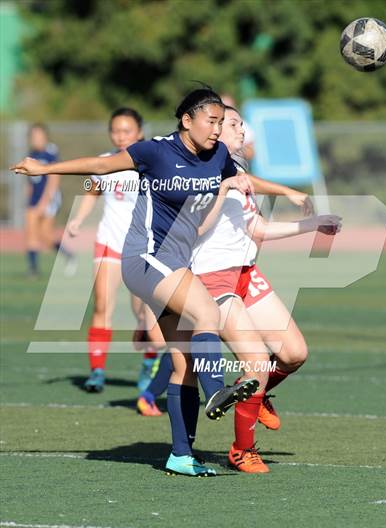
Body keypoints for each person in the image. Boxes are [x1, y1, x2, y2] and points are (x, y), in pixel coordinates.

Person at [11, 88, 261, 477]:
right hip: (144, 258)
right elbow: (101, 163)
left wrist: (290, 193)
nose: (217, 130)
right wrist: (44, 169)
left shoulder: (219, 157)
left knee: (183, 365)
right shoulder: (154, 152)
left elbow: (247, 180)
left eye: (220, 122)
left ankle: (181, 455)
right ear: (187, 121)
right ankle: (217, 391)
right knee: (206, 312)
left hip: (175, 264)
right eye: (211, 122)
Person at [141, 106, 341, 473]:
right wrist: (222, 188)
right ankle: (241, 449)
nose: (239, 132)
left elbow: (258, 229)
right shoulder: (199, 174)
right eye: (232, 125)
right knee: (256, 366)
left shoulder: (236, 172)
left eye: (237, 125)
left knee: (294, 354)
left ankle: (257, 393)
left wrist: (312, 223)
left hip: (246, 274)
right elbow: (191, 232)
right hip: (212, 281)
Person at [67, 108, 164, 400]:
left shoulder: (150, 160)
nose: (121, 136)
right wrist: (78, 219)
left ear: (140, 133)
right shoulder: (105, 160)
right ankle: (96, 372)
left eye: (127, 131)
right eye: (116, 131)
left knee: (143, 315)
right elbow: (91, 189)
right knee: (102, 307)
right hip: (108, 242)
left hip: (140, 248)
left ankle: (149, 364)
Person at [25, 123, 75, 277]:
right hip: (34, 199)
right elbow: (30, 181)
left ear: (45, 137)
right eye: (33, 136)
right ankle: (34, 269)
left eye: (39, 136)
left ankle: (68, 256)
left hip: (49, 199)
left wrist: (43, 203)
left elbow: (54, 179)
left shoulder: (50, 153)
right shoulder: (32, 154)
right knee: (35, 233)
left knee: (45, 237)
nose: (36, 139)